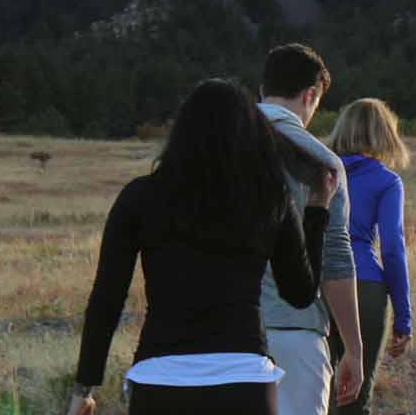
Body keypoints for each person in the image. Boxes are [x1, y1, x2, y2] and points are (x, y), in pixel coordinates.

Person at [69, 79, 337, 415]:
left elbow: (106, 301)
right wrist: (316, 212)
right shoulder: (269, 199)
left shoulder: (140, 197)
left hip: (160, 380)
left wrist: (85, 386)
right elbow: (300, 293)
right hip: (245, 382)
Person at [256, 43, 365, 414]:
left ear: (262, 90)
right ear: (310, 95)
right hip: (295, 333)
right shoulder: (322, 161)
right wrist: (353, 348)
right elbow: (335, 263)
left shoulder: (216, 149)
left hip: (219, 334)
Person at [326, 99, 415, 415]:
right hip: (363, 286)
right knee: (353, 400)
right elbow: (392, 248)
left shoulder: (317, 170)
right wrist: (403, 317)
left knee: (316, 395)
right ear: (384, 133)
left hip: (315, 284)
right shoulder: (387, 181)